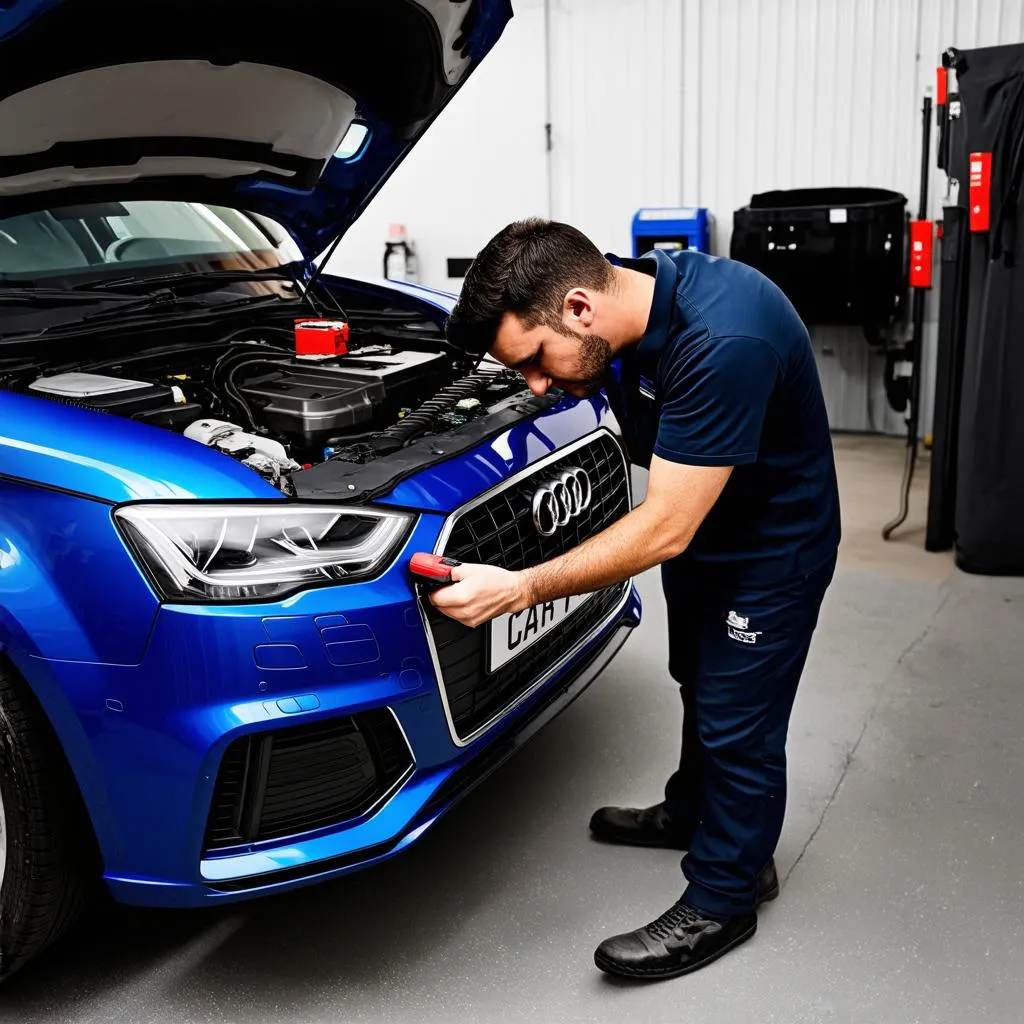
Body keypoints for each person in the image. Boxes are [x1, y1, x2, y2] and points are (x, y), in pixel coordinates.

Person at [433, 218, 841, 980]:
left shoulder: (725, 340)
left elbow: (663, 527)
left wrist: (521, 585)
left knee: (738, 723)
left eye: (535, 361)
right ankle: (694, 811)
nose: (536, 384)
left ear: (579, 308)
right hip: (712, 530)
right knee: (697, 678)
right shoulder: (625, 302)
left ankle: (726, 893)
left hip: (770, 551)